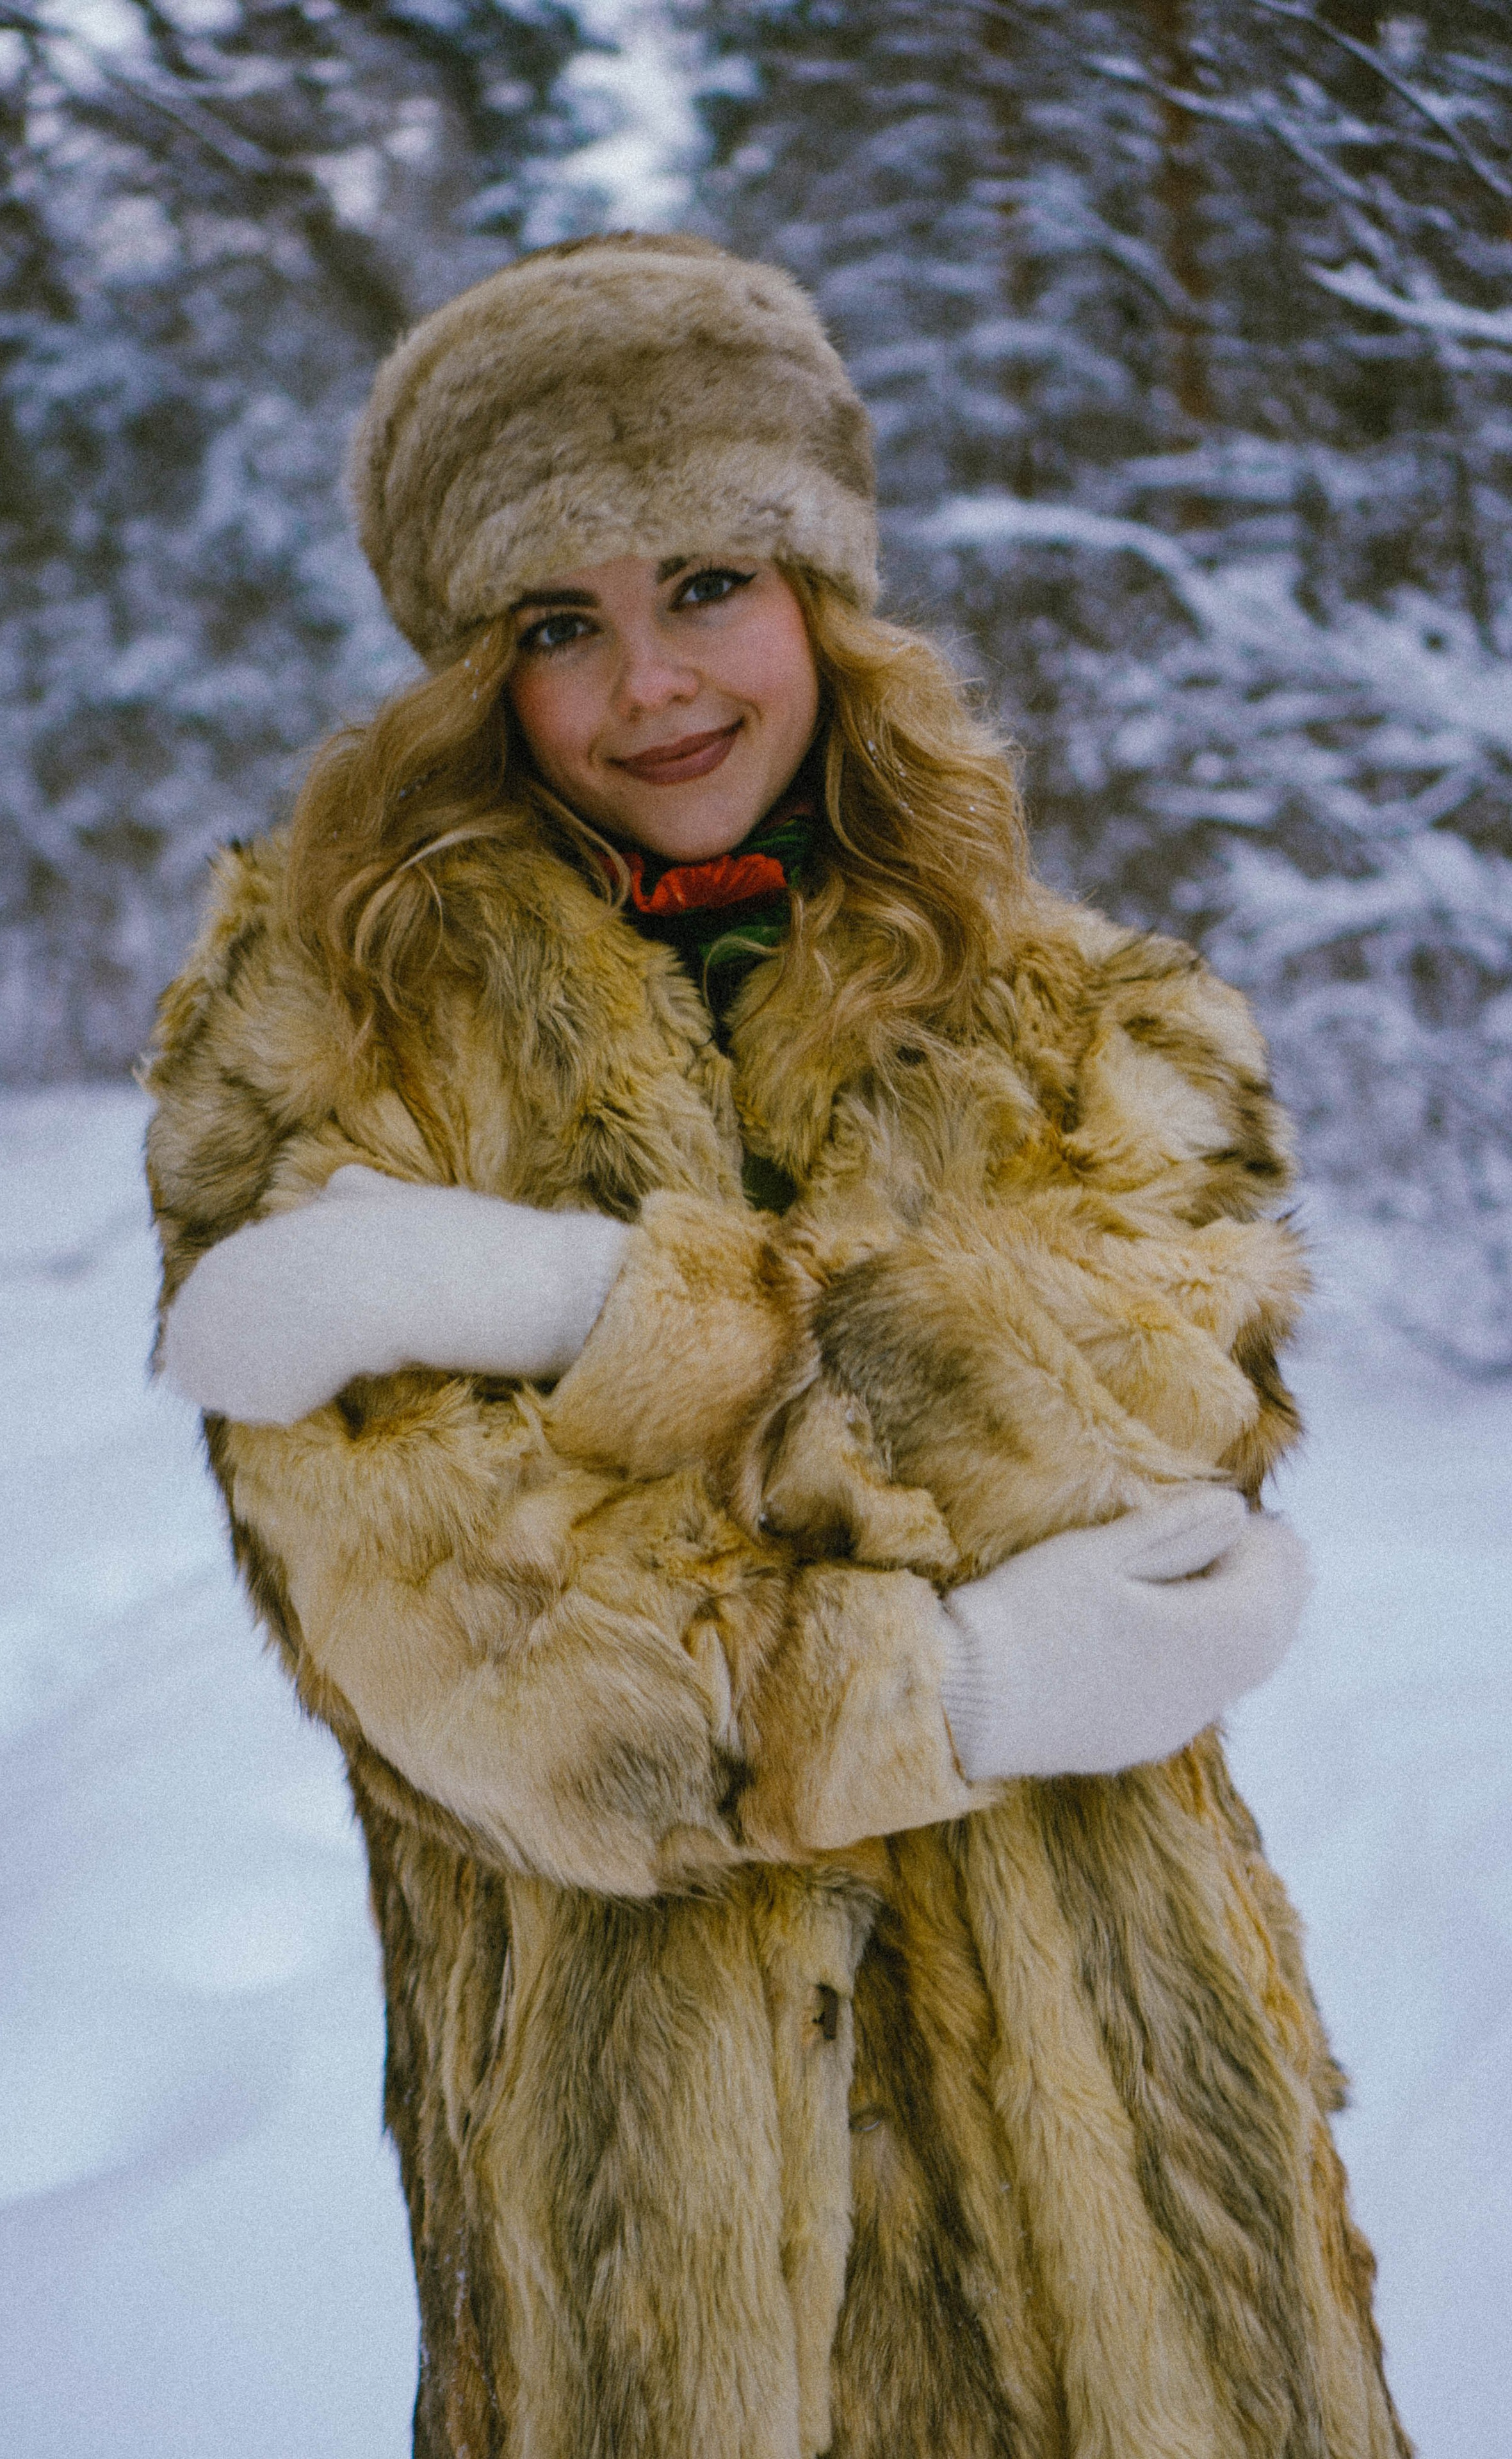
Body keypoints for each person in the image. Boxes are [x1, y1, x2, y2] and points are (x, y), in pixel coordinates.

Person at [143, 234, 1408, 2458]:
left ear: (822, 590)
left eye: (708, 579)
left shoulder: (1091, 1015)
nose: (654, 683)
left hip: (1144, 2213)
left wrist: (570, 1306)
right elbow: (493, 1661)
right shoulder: (333, 1043)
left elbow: (1151, 1445)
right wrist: (973, 1677)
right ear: (478, 673)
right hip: (664, 2255)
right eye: (562, 623)